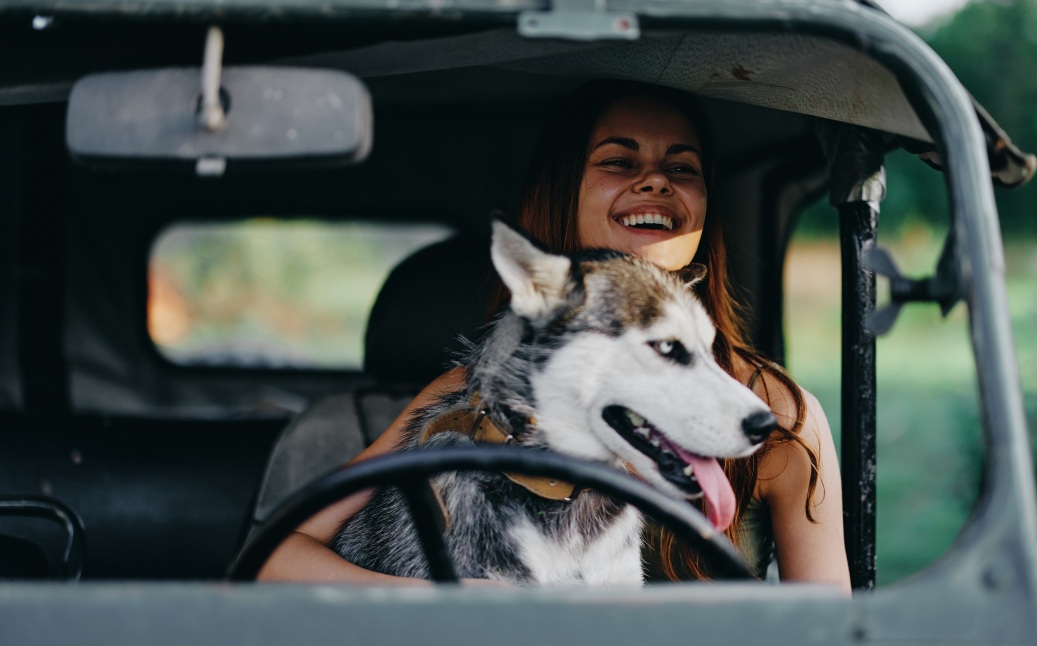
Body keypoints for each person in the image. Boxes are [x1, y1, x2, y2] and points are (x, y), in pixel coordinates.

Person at [257, 81, 851, 593]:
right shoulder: (468, 403)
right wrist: (435, 604)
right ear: (564, 190)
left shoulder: (777, 417)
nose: (656, 183)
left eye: (682, 168)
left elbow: (831, 636)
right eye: (619, 162)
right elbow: (277, 557)